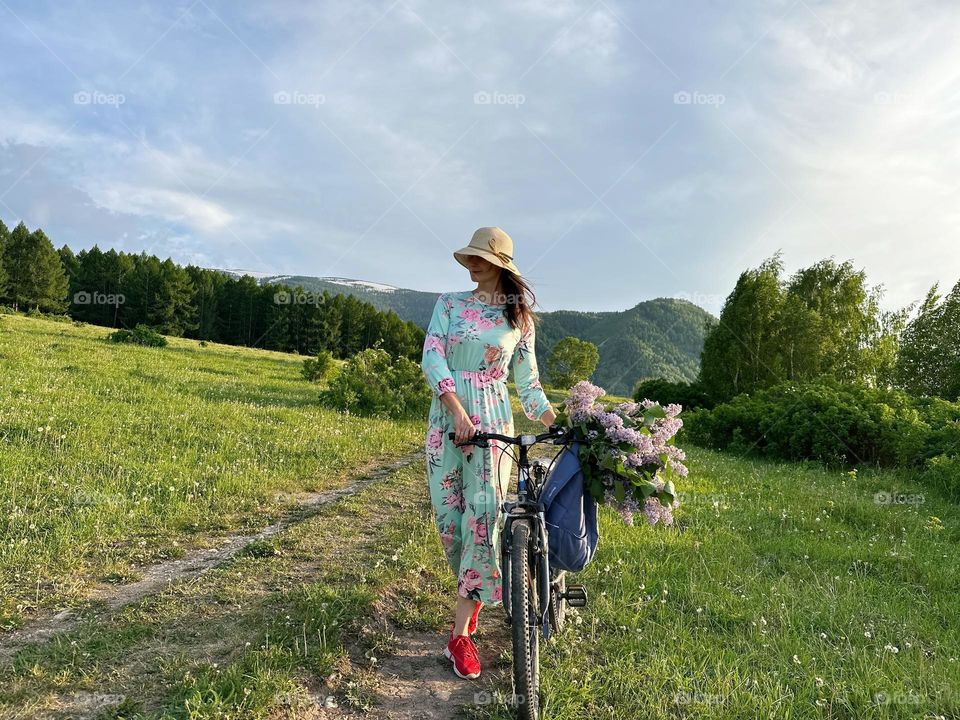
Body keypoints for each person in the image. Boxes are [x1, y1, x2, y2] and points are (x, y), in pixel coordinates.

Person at [420, 226, 556, 680]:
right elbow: (432, 357)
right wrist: (455, 410)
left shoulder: (519, 320)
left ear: (502, 266)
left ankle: (459, 637)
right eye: (469, 258)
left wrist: (559, 423)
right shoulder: (449, 304)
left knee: (482, 523)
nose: (472, 264)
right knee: (450, 525)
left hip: (494, 424)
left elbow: (530, 385)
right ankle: (472, 594)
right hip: (448, 421)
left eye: (482, 258)